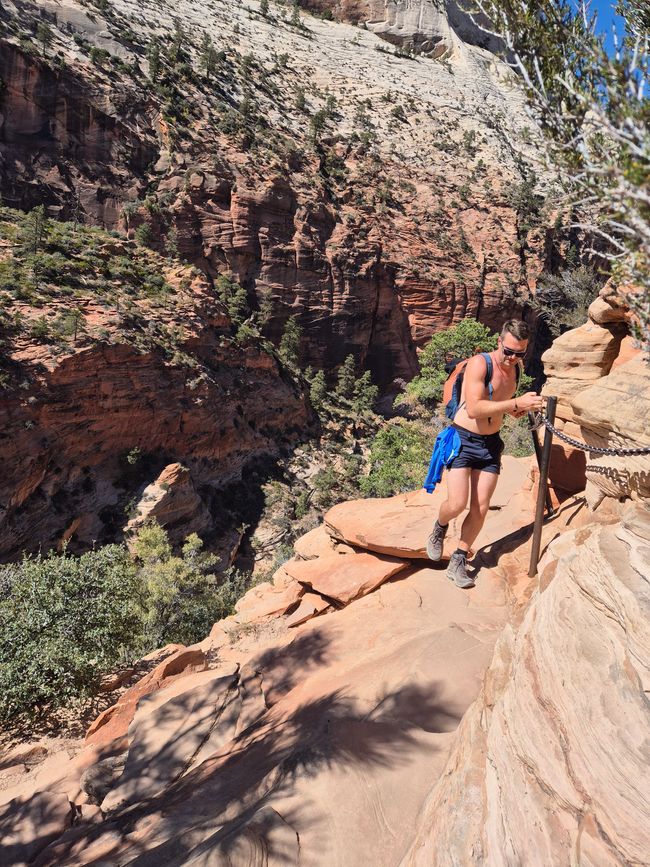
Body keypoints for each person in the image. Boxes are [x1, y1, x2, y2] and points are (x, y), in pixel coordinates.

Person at [426, 319, 544, 589]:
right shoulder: (481, 363)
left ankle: (458, 559)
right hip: (463, 440)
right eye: (509, 351)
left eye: (520, 353)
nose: (513, 358)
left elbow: (501, 408)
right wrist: (516, 402)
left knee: (480, 507)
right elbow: (475, 409)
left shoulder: (516, 368)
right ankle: (440, 526)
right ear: (499, 342)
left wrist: (519, 409)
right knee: (457, 503)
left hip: (490, 444)